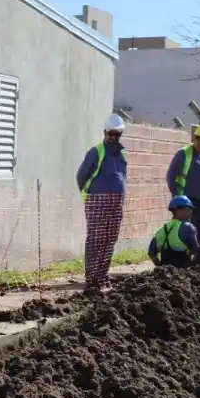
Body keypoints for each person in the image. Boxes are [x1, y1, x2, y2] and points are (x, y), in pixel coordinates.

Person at [75, 114, 128, 291]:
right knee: (96, 239)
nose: (112, 137)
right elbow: (81, 176)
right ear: (104, 132)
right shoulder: (96, 152)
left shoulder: (122, 154)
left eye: (116, 134)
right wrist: (90, 195)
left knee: (109, 239)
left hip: (116, 201)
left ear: (120, 134)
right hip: (97, 200)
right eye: (109, 134)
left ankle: (103, 274)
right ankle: (92, 277)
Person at [167, 125, 200, 256]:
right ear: (195, 138)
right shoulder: (183, 154)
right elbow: (171, 176)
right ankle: (185, 260)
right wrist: (178, 198)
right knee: (188, 231)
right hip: (189, 202)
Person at [148, 196, 200, 268]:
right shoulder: (189, 227)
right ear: (180, 210)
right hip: (183, 269)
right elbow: (196, 250)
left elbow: (151, 253)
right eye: (189, 209)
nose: (191, 212)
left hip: (165, 269)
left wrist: (159, 266)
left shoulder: (161, 230)